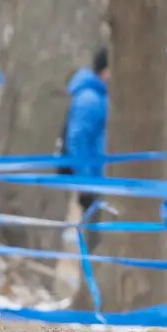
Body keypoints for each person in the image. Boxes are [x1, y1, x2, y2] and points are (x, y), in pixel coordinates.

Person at [57, 47, 110, 236]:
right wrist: (86, 181)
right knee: (95, 235)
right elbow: (77, 141)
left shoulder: (100, 97)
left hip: (101, 178)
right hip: (94, 180)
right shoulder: (90, 99)